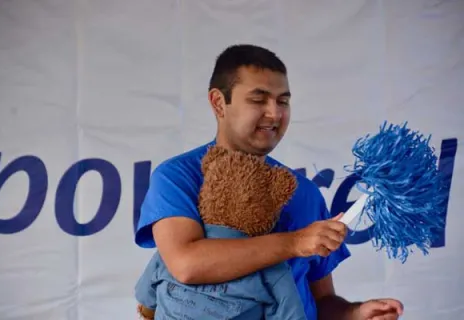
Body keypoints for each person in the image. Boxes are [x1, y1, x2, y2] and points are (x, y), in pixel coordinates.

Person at [134, 44, 404, 320]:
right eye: (258, 99)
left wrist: (355, 313)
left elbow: (321, 301)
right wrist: (295, 242)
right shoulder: (178, 177)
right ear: (218, 102)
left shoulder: (303, 193)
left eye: (283, 101)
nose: (274, 113)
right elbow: (186, 264)